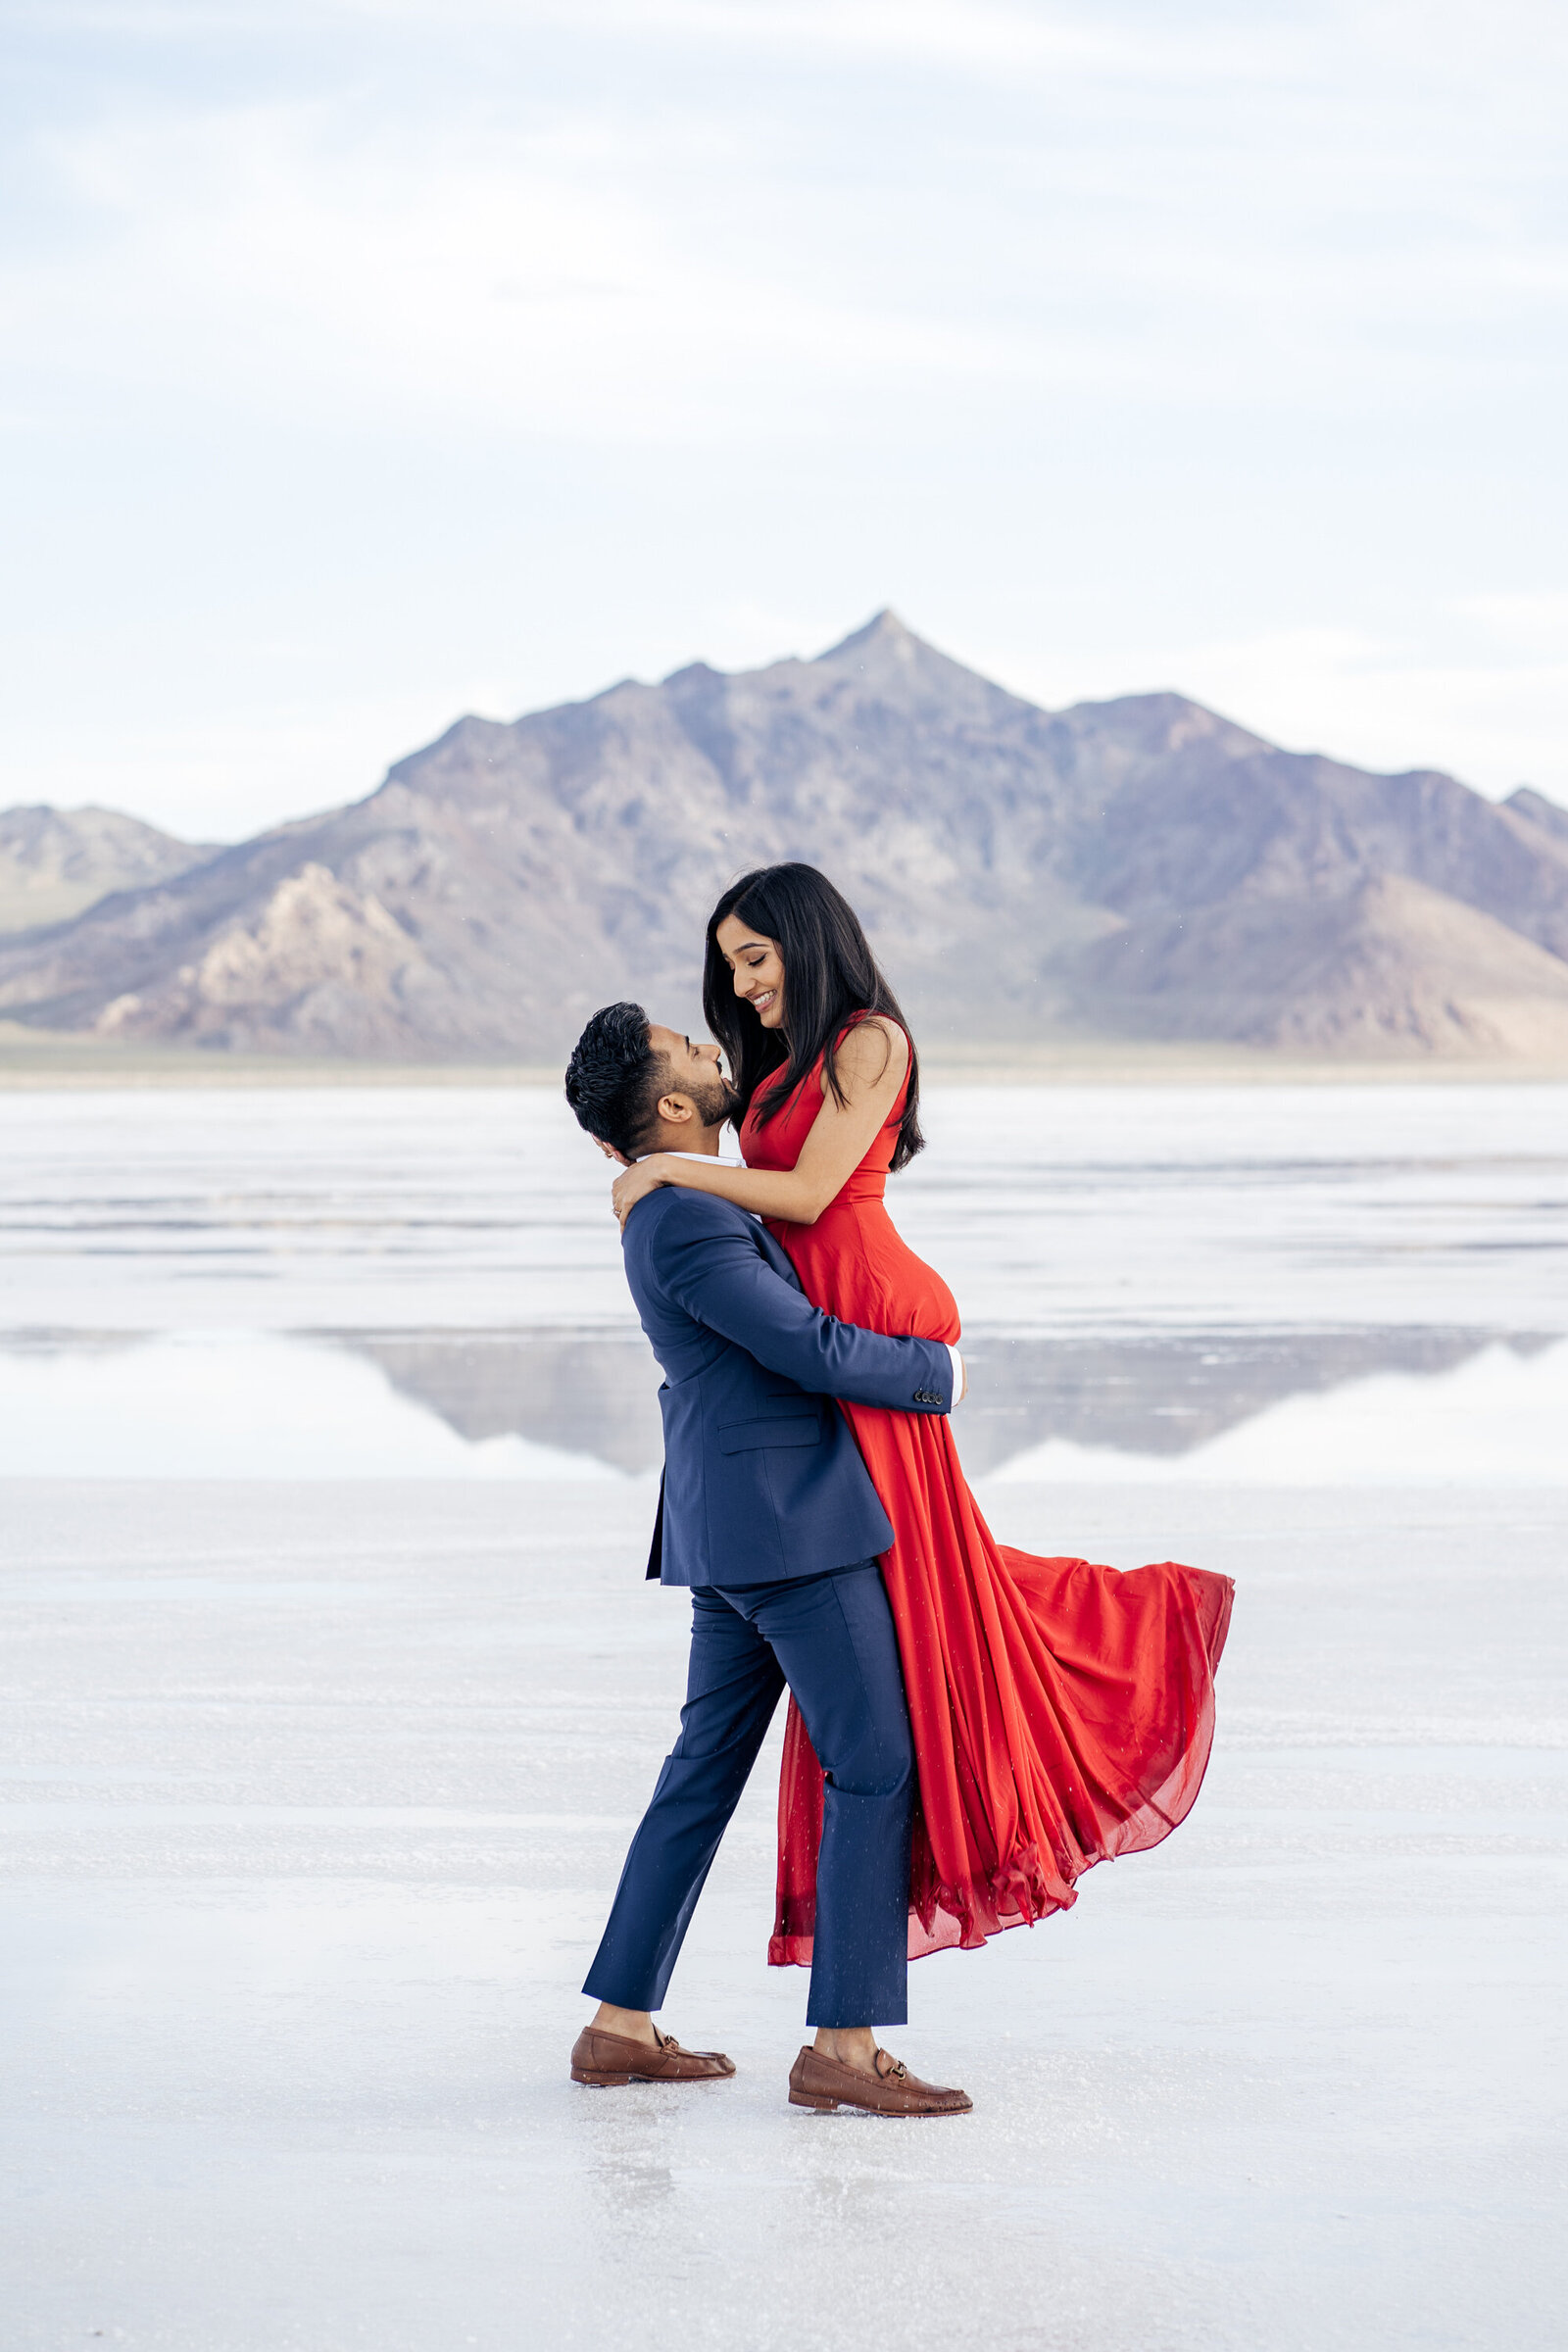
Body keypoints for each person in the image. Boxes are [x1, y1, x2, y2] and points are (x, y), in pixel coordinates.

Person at [609, 863, 1235, 1974]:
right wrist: (672, 1171)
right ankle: (828, 2025)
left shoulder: (867, 1039)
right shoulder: (770, 1068)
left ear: (807, 940)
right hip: (820, 1364)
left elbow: (804, 1198)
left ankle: (825, 2006)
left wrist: (665, 1167)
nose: (739, 986)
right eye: (729, 965)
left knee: (927, 1605)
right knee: (915, 1617)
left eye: (755, 957)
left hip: (866, 1333)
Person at [563, 1002, 972, 2118]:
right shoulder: (687, 1220)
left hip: (730, 1524)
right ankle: (843, 2045)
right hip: (788, 1529)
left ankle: (618, 2024)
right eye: (692, 1052)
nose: (714, 1046)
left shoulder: (675, 1204)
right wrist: (931, 1372)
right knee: (874, 1765)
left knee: (701, 1774)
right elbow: (798, 1347)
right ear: (676, 1108)